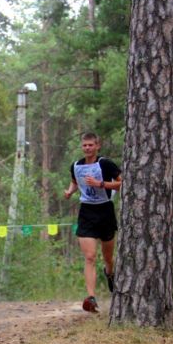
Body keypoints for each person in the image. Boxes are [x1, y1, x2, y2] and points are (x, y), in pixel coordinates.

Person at [63, 132, 122, 313]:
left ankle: (110, 273)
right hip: (87, 212)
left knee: (108, 258)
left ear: (97, 146)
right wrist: (70, 191)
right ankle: (91, 298)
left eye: (90, 145)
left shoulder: (105, 164)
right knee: (90, 256)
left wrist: (100, 184)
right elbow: (75, 182)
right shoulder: (76, 165)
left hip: (105, 210)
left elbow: (121, 183)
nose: (87, 148)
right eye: (85, 145)